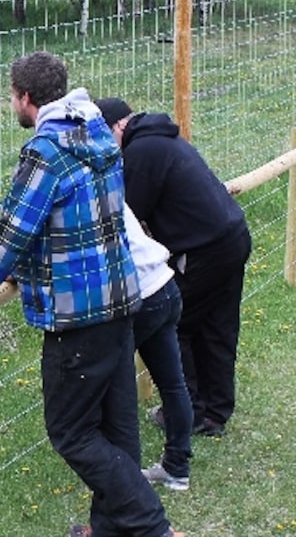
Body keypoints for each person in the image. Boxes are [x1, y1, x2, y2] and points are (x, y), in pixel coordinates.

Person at [0, 52, 183, 537]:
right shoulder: (97, 133)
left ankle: (152, 528)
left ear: (25, 98)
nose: (13, 105)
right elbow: (74, 221)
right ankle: (113, 531)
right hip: (120, 300)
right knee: (118, 429)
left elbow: (13, 233)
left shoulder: (45, 152)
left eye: (12, 97)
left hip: (77, 316)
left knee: (71, 432)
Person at [95, 97, 252, 437]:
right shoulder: (163, 139)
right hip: (232, 236)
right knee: (217, 326)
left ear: (119, 127)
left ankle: (189, 412)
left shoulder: (140, 153)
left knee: (173, 321)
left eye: (104, 134)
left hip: (204, 250)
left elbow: (131, 215)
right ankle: (215, 411)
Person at [124, 203, 193, 491]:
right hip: (164, 283)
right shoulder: (108, 178)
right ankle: (177, 469)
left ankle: (121, 477)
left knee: (114, 385)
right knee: (174, 384)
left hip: (139, 295)